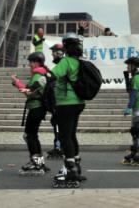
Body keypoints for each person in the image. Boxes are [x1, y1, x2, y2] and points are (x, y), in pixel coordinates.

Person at [51, 33, 86, 187]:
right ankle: (76, 167)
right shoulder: (79, 62)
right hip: (78, 103)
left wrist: (34, 85)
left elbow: (51, 75)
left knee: (64, 137)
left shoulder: (66, 61)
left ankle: (70, 170)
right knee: (71, 135)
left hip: (66, 103)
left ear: (66, 47)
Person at [14, 51, 51, 176]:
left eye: (30, 62)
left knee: (29, 136)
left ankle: (36, 163)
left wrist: (17, 83)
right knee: (32, 135)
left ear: (36, 62)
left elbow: (29, 92)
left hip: (36, 108)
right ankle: (39, 162)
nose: (29, 65)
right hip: (38, 108)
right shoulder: (43, 73)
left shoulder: (38, 74)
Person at [121, 56, 139, 165]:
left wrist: (128, 107)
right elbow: (130, 91)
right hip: (136, 107)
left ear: (133, 66)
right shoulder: (134, 77)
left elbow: (133, 94)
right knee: (134, 130)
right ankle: (135, 151)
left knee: (138, 131)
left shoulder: (137, 78)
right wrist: (126, 78)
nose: (127, 67)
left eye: (128, 65)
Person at [46, 43, 65, 159]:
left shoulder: (61, 66)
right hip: (57, 104)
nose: (52, 54)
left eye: (54, 52)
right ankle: (58, 147)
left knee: (58, 126)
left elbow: (56, 86)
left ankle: (59, 148)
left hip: (60, 104)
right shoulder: (59, 66)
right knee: (57, 126)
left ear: (60, 53)